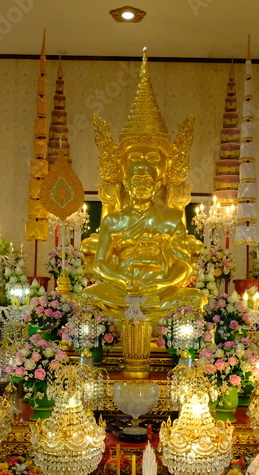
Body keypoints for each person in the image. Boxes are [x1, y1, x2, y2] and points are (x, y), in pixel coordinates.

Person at [79, 51, 205, 318]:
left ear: (158, 178)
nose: (141, 184)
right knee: (87, 298)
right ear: (125, 179)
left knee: (196, 299)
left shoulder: (171, 218)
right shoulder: (113, 221)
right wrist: (126, 282)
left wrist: (160, 283)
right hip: (121, 288)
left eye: (147, 178)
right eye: (136, 179)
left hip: (159, 289)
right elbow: (100, 264)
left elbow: (183, 264)